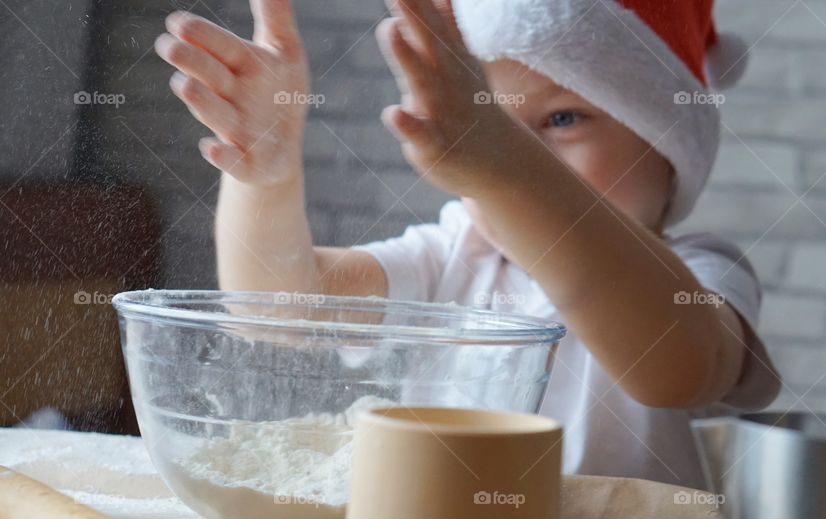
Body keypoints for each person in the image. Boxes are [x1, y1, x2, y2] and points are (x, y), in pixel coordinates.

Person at [154, 0, 781, 488]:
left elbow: (678, 371)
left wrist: (504, 167)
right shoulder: (452, 254)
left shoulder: (699, 274)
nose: (517, 151)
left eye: (562, 118)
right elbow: (281, 308)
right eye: (488, 127)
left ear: (666, 147)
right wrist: (265, 177)